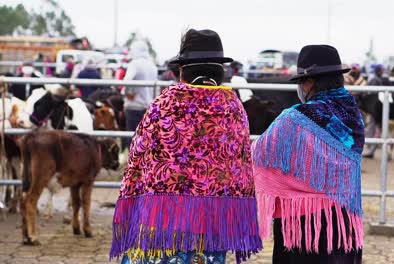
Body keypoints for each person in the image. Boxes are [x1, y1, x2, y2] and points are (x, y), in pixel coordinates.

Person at [110, 29, 262, 264]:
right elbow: (240, 164)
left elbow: (139, 155)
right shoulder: (234, 107)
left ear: (182, 70)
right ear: (220, 71)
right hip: (210, 222)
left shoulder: (165, 103)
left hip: (162, 221)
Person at [252, 45, 364, 264]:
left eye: (301, 82)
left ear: (309, 82)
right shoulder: (353, 115)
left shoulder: (294, 118)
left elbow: (260, 153)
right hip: (343, 223)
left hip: (304, 228)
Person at [121, 40, 158, 150]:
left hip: (134, 106)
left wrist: (127, 93)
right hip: (149, 107)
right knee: (146, 139)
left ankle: (132, 165)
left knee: (133, 138)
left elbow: (127, 80)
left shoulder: (134, 64)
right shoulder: (152, 65)